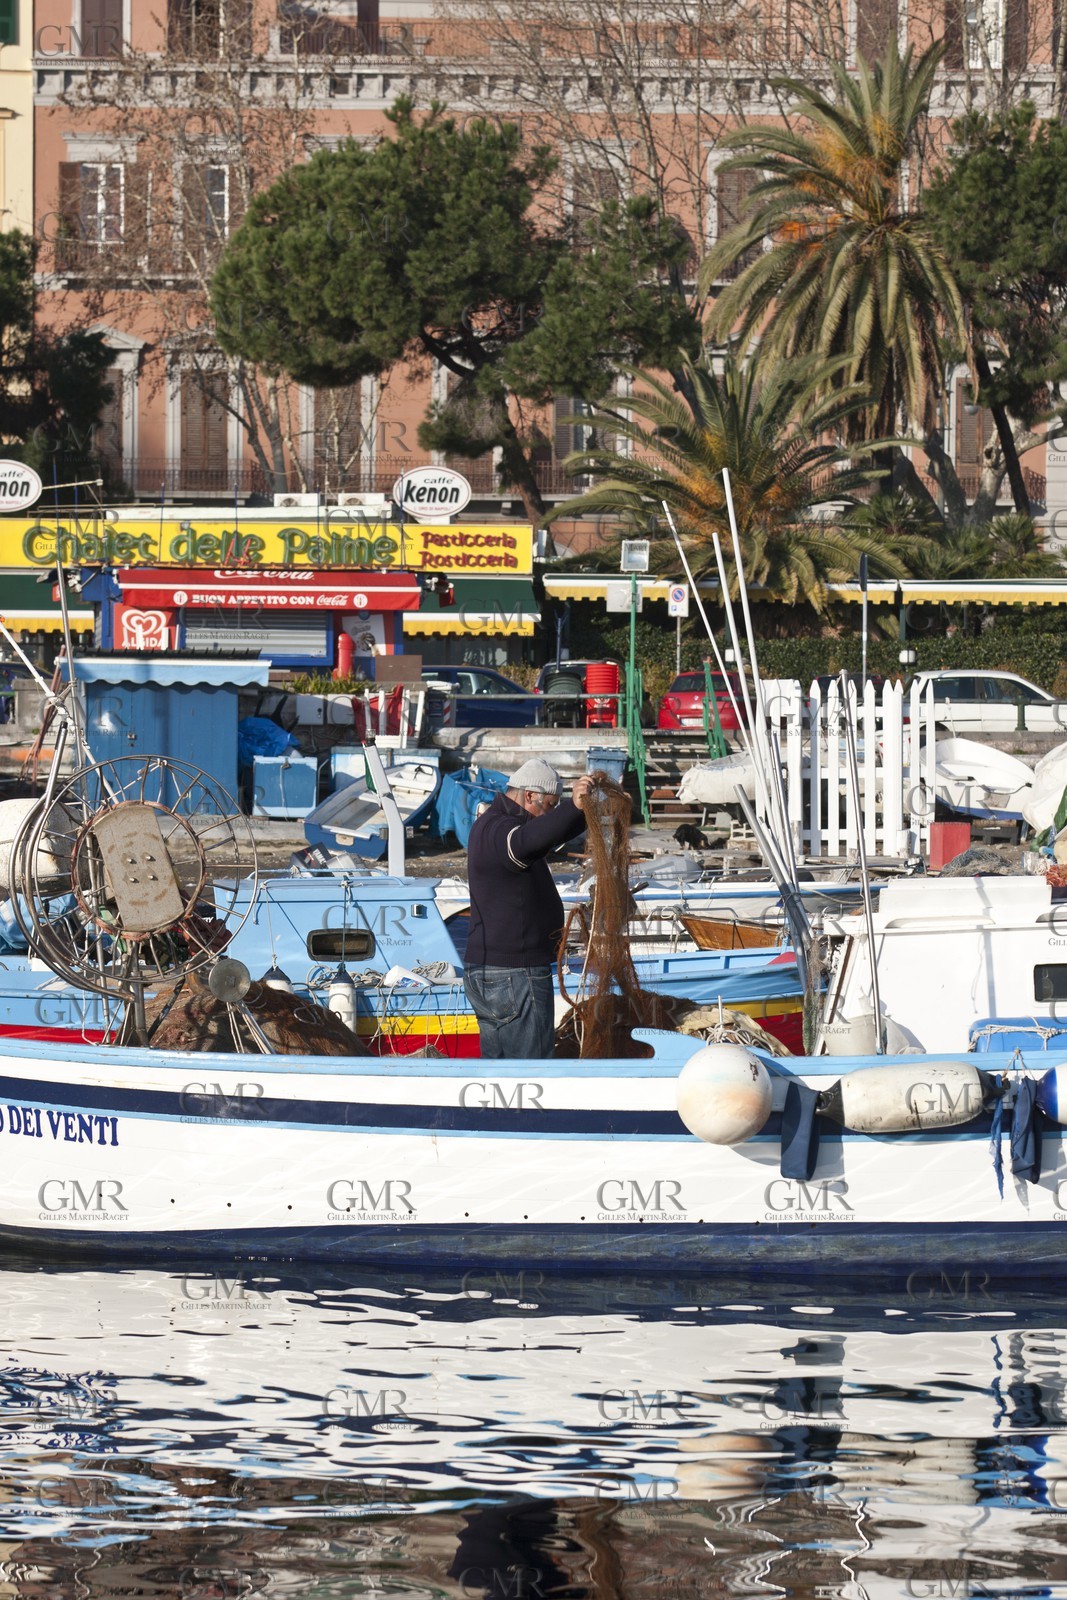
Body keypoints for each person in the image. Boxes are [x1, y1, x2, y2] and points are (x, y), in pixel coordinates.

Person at [464, 759, 594, 1060]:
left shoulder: (492, 823)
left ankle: (500, 1110)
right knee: (531, 1068)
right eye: (549, 805)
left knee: (499, 1070)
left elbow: (547, 834)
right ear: (529, 796)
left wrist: (582, 811)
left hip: (489, 970)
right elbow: (531, 840)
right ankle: (529, 1111)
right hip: (514, 974)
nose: (549, 813)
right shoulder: (503, 830)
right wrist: (571, 808)